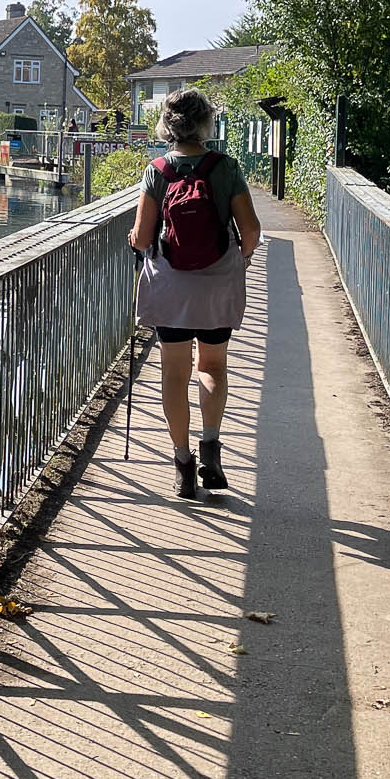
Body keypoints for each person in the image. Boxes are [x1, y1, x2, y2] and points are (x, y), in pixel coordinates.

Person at [128, 88, 262, 499]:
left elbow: (143, 237)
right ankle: (212, 448)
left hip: (170, 284)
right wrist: (241, 258)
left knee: (174, 373)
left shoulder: (157, 170)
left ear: (168, 124)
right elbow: (252, 230)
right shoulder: (226, 167)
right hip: (217, 281)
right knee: (213, 367)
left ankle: (183, 464)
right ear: (206, 122)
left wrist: (134, 239)